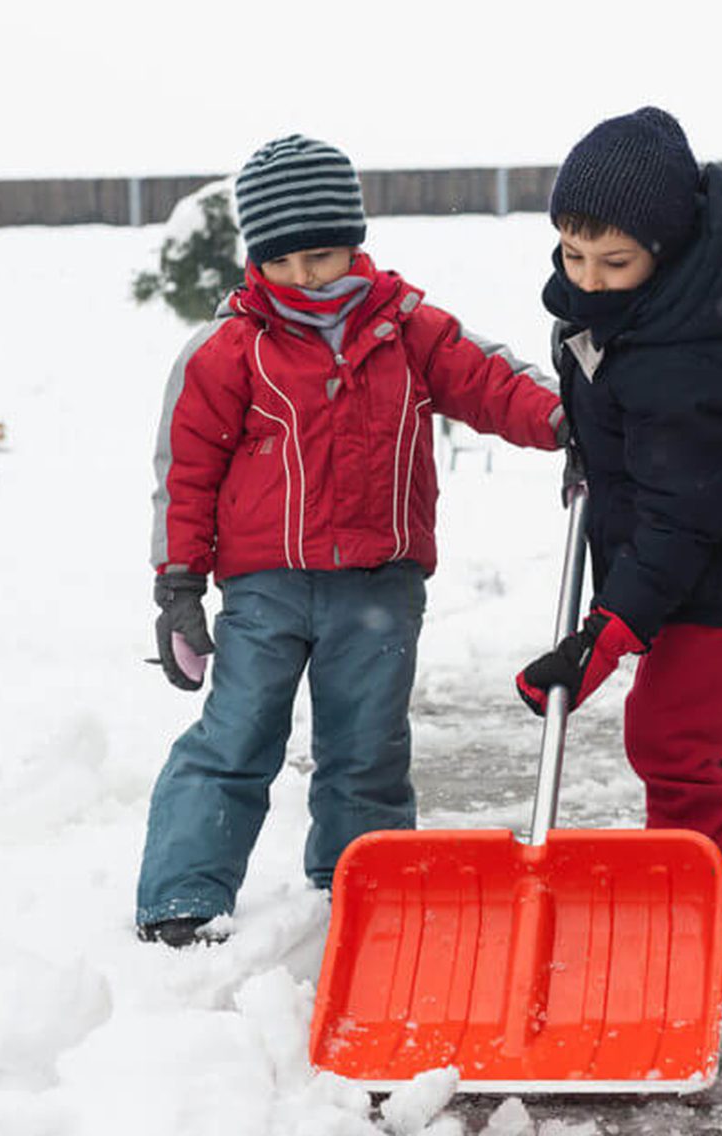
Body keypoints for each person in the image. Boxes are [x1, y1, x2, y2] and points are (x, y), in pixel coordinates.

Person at [138, 133, 566, 947]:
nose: (307, 278)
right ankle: (184, 897)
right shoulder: (231, 350)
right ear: (257, 259)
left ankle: (360, 879)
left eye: (325, 256)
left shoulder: (407, 327)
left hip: (379, 582)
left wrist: (565, 419)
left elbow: (490, 382)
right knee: (237, 737)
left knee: (367, 746)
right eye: (286, 262)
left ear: (355, 242)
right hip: (266, 587)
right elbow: (185, 471)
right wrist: (179, 584)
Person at [515, 107, 722, 998]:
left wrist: (605, 635)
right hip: (697, 547)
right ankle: (702, 893)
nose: (591, 280)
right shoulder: (624, 317)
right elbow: (640, 448)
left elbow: (685, 511)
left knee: (674, 740)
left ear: (671, 246)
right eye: (574, 257)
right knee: (673, 741)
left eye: (615, 263)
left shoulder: (689, 351)